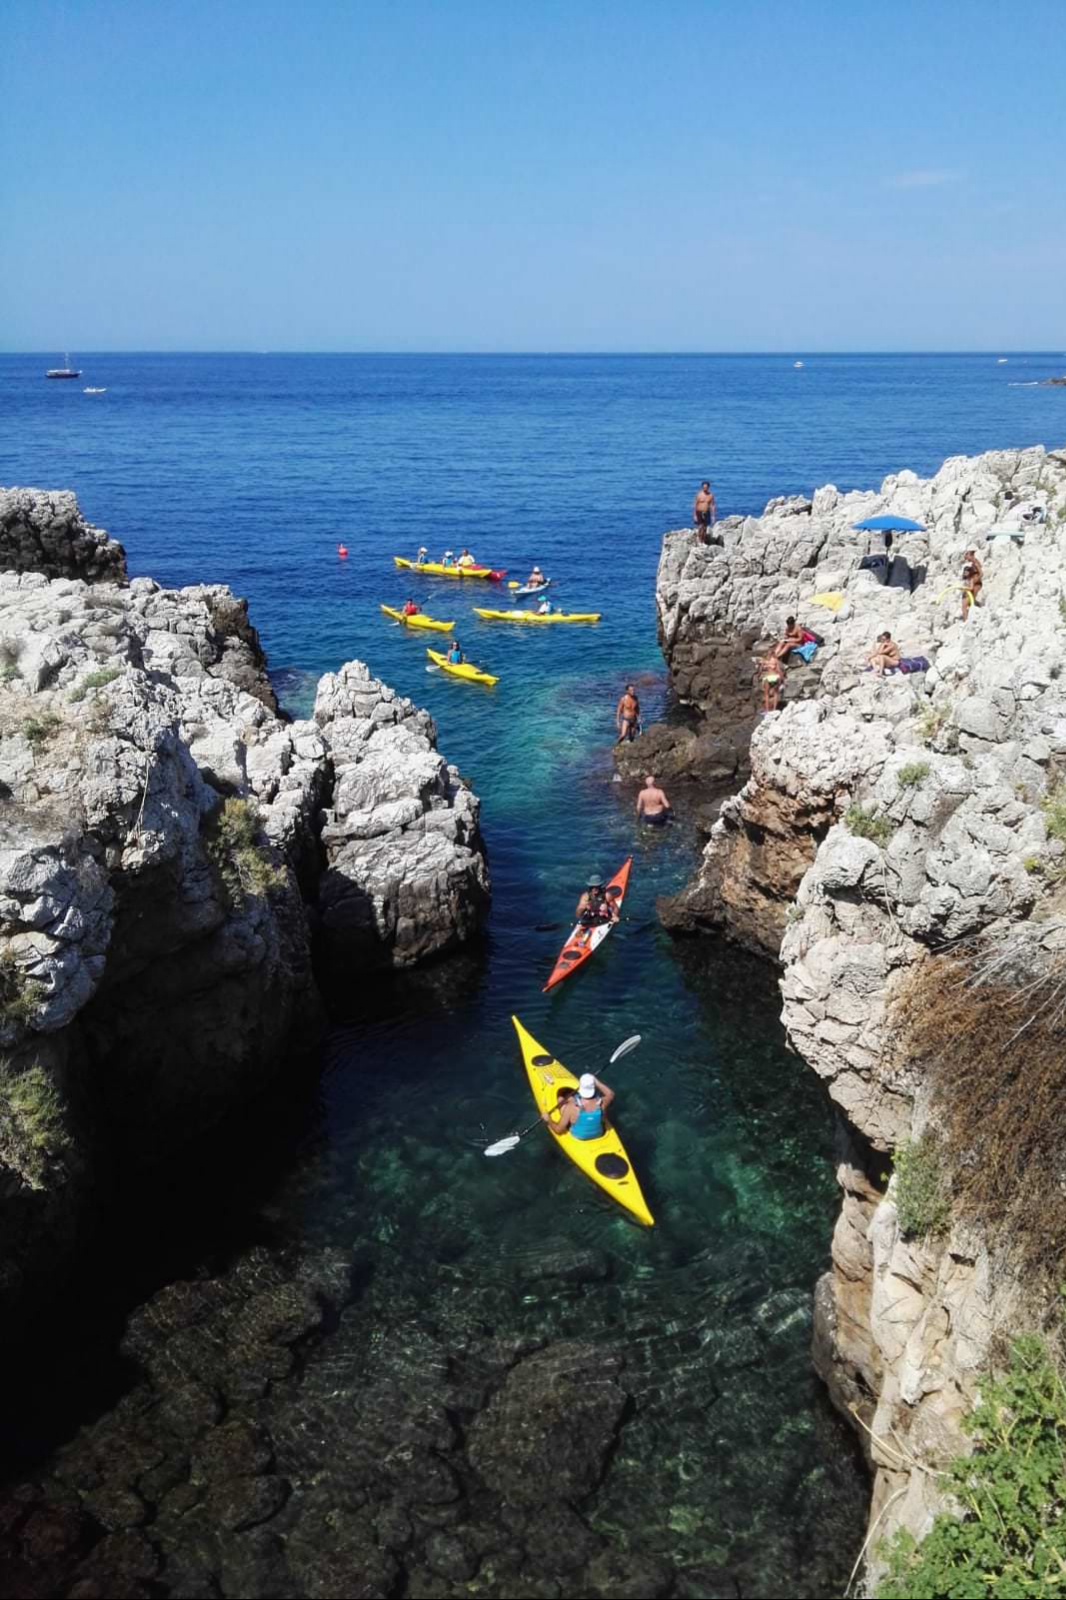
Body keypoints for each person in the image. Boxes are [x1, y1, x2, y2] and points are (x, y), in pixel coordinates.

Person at [542, 1073, 615, 1140]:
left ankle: (562, 1096)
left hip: (578, 1137)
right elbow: (611, 1094)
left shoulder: (571, 1107)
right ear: (593, 1087)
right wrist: (597, 1082)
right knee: (570, 1099)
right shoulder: (602, 1103)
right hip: (598, 1134)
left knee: (561, 1099)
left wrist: (549, 1119)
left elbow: (558, 1130)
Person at [574, 874, 618, 947]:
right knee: (578, 935)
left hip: (603, 920)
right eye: (592, 887)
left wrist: (615, 916)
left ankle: (586, 940)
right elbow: (577, 915)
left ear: (600, 886)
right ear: (589, 887)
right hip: (589, 919)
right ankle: (581, 941)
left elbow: (615, 908)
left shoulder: (607, 895)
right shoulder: (585, 897)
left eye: (596, 886)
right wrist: (582, 908)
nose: (594, 889)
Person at [961, 550, 983, 619]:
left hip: (977, 584)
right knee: (970, 600)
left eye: (967, 556)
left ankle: (979, 609)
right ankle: (978, 608)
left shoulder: (975, 563)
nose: (966, 558)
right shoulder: (973, 563)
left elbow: (981, 573)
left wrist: (975, 580)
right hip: (974, 583)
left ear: (971, 555)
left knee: (971, 599)